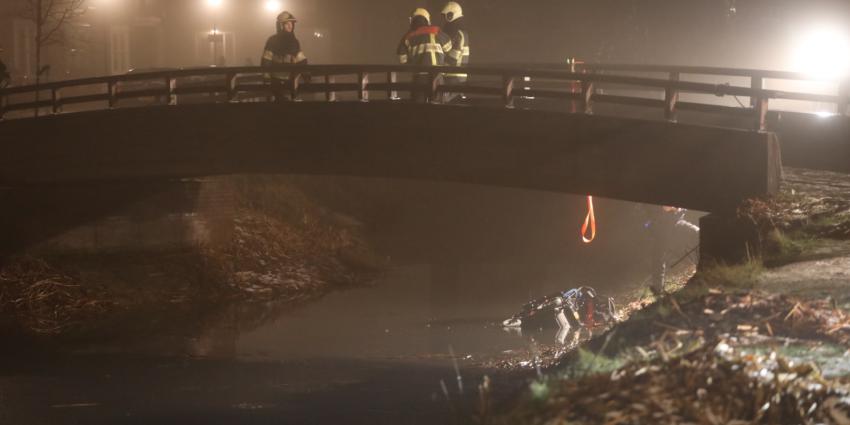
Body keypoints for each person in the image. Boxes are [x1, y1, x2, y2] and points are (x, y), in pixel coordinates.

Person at [396, 8, 453, 102]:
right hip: (437, 76)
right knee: (438, 107)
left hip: (419, 77)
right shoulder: (436, 31)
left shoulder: (408, 36)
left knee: (418, 108)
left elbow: (402, 60)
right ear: (427, 20)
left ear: (412, 20)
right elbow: (449, 47)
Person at [644, 206, 700, 294]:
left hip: (676, 223)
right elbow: (654, 214)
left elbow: (681, 210)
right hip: (661, 230)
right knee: (658, 259)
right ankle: (658, 289)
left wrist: (677, 209)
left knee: (697, 233)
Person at [440, 2, 470, 102]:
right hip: (458, 77)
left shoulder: (457, 34)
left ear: (451, 15)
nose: (444, 19)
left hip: (453, 76)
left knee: (444, 104)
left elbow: (453, 57)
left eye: (446, 16)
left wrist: (440, 71)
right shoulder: (461, 32)